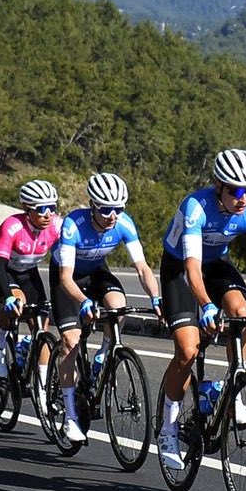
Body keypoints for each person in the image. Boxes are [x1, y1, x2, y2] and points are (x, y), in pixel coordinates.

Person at [154, 148, 246, 472]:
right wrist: (206, 305)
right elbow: (192, 269)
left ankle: (234, 392)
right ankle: (167, 428)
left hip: (216, 263)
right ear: (218, 186)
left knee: (240, 310)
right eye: (235, 190)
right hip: (180, 267)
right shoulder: (196, 207)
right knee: (187, 351)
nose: (243, 198)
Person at [50, 172, 161, 442]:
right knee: (71, 341)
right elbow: (65, 278)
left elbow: (142, 268)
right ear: (92, 206)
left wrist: (156, 298)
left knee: (118, 306)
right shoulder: (73, 225)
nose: (113, 216)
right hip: (68, 277)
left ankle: (103, 354)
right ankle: (70, 416)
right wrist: (84, 302)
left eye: (118, 209)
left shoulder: (124, 223)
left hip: (97, 271)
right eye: (105, 210)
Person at [0, 179, 62, 387]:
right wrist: (8, 297)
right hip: (1, 270)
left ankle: (42, 385)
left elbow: (65, 261)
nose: (48, 214)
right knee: (18, 303)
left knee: (42, 325)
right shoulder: (12, 226)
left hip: (28, 272)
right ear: (27, 209)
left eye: (52, 208)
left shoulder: (56, 226)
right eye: (41, 209)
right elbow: (0, 265)